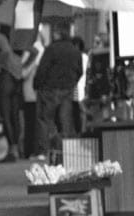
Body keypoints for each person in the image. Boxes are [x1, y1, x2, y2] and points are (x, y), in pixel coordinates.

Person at [33, 22, 82, 159]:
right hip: (67, 90)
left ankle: (44, 151)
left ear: (58, 34)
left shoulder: (51, 49)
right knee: (65, 120)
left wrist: (37, 84)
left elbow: (42, 69)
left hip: (49, 89)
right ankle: (67, 151)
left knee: (45, 119)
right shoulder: (74, 50)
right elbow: (80, 71)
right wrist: (71, 83)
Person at [0, 24, 23, 161]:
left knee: (6, 115)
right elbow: (34, 51)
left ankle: (12, 149)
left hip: (6, 78)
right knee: (14, 116)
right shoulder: (17, 41)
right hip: (17, 79)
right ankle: (16, 148)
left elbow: (5, 51)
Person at [20, 37, 45, 160]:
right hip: (30, 94)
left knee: (34, 124)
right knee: (31, 124)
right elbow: (23, 73)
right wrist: (34, 62)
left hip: (34, 94)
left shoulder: (34, 52)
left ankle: (33, 150)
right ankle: (30, 151)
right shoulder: (30, 53)